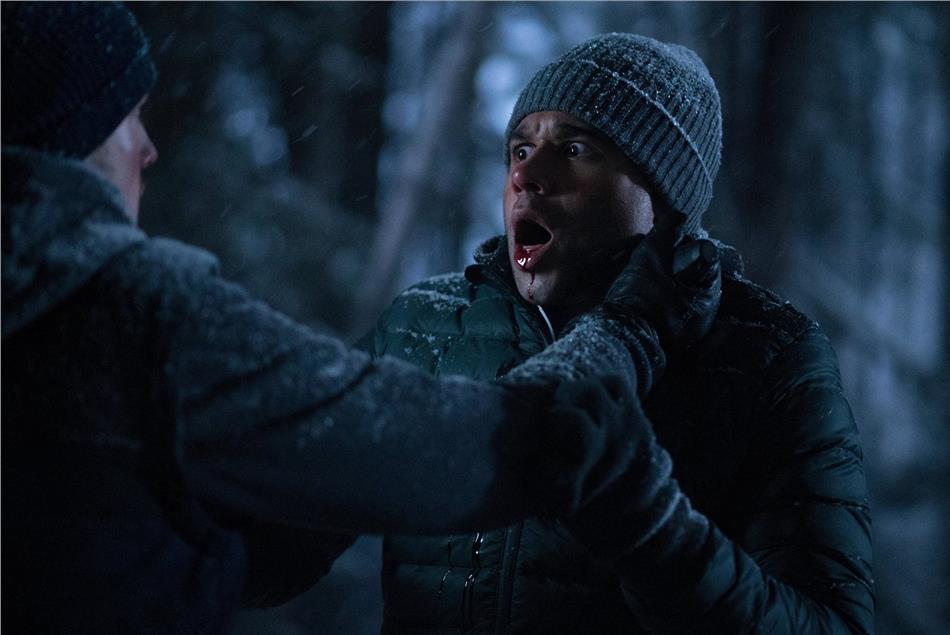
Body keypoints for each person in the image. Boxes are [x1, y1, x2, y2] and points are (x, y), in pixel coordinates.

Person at [1, 6, 721, 633]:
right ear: (75, 124)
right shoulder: (138, 310)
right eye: (128, 115)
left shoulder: (753, 356)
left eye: (578, 149)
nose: (147, 147)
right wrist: (620, 335)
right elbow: (456, 454)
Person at [361, 33, 874, 633]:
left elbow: (830, 624)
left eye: (575, 148)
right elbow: (291, 539)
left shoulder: (772, 356)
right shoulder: (423, 323)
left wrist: (649, 523)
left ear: (665, 204)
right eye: (521, 149)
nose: (526, 175)